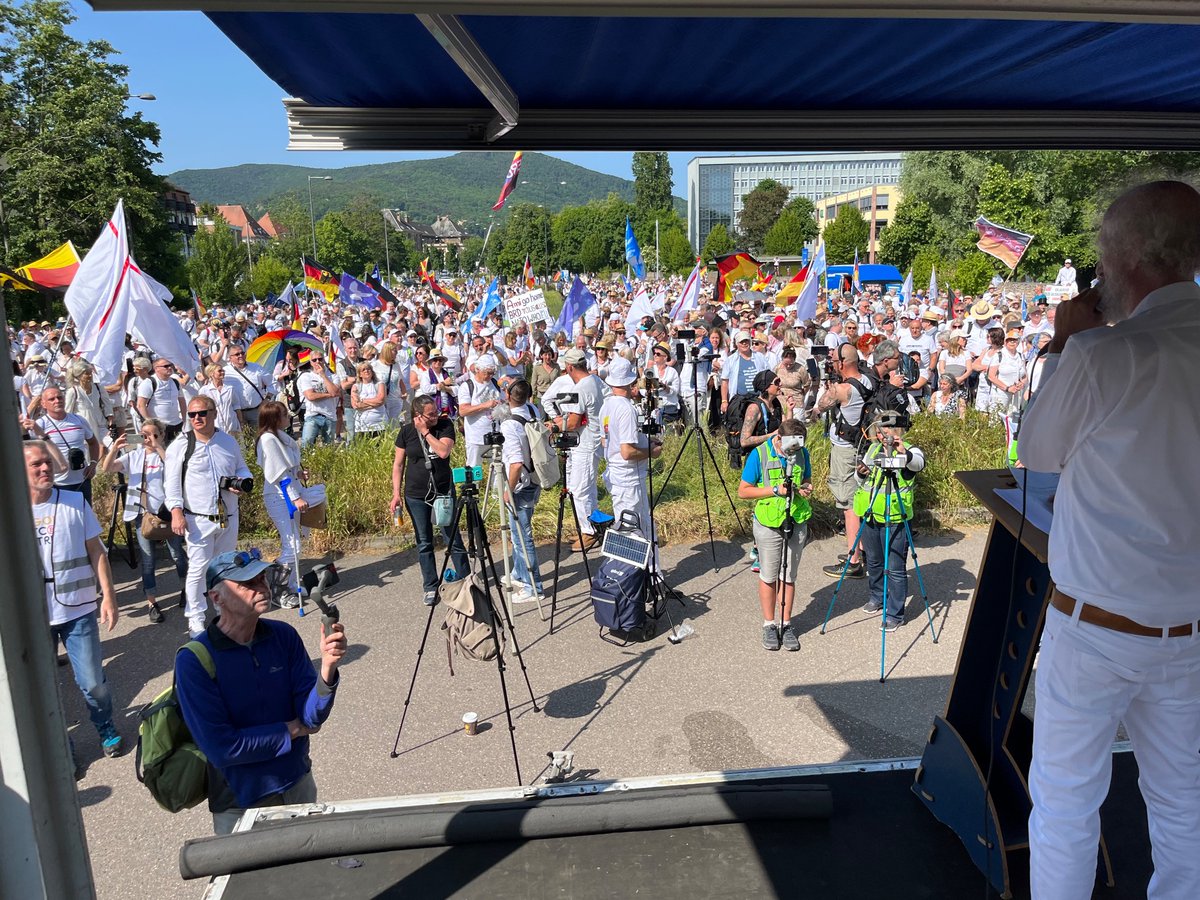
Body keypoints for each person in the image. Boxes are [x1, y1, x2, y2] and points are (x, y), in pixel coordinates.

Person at [1020, 181, 1200, 899]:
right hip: (1190, 629)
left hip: (1094, 631)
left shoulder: (1101, 354)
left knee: (1065, 804)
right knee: (1185, 804)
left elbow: (1035, 449)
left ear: (1124, 260)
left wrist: (1065, 342)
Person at [176, 549, 347, 835]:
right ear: (216, 598)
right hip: (239, 806)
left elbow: (312, 718)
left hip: (299, 785)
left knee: (308, 876)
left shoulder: (284, 636)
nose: (263, 587)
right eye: (248, 583)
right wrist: (289, 730)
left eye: (262, 578)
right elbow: (222, 748)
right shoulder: (193, 660)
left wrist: (328, 668)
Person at [26, 440, 124, 765]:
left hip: (78, 607)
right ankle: (63, 747)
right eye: (36, 465)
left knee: (93, 683)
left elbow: (97, 551)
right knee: (45, 688)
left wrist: (108, 595)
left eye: (46, 463)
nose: (44, 469)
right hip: (35, 615)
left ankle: (105, 725)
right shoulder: (13, 513)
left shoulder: (73, 502)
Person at [166, 395, 255, 638]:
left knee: (224, 566)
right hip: (197, 518)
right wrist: (176, 511)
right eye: (192, 415)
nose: (196, 418)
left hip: (228, 514)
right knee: (198, 568)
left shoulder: (227, 441)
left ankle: (222, 610)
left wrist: (243, 481)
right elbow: (171, 482)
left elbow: (241, 467)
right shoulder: (181, 445)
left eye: (202, 413)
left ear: (214, 413)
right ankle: (195, 618)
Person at [99, 419, 188, 623]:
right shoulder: (134, 456)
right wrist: (114, 448)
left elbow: (175, 469)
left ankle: (186, 589)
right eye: (143, 434)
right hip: (141, 514)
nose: (147, 438)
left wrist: (157, 446)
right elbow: (107, 468)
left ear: (162, 435)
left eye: (153, 434)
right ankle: (152, 602)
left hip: (166, 513)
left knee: (177, 555)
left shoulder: (169, 454)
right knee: (148, 561)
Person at [737, 417, 812, 652]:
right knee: (769, 575)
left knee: (789, 576)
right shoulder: (759, 455)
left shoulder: (802, 452)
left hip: (796, 519)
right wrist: (774, 491)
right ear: (778, 438)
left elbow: (806, 478)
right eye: (790, 446)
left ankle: (786, 623)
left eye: (798, 447)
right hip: (769, 523)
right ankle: (769, 624)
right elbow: (743, 491)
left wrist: (806, 488)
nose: (794, 451)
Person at [390, 394, 469, 607]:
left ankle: (467, 580)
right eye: (430, 414)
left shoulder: (444, 425)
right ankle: (430, 586)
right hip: (416, 494)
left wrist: (426, 432)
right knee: (424, 541)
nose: (435, 415)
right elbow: (398, 465)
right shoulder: (406, 432)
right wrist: (396, 494)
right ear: (418, 415)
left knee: (451, 537)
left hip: (442, 491)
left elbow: (443, 452)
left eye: (435, 411)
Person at [853, 415, 925, 632]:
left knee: (895, 567)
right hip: (870, 514)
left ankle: (895, 613)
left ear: (900, 431)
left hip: (895, 516)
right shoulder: (873, 450)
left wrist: (904, 452)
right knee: (873, 561)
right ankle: (877, 596)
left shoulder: (911, 449)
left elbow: (918, 465)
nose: (886, 434)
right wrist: (860, 472)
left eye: (891, 429)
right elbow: (860, 480)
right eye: (883, 429)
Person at [813, 345, 869, 579]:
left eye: (834, 360)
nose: (831, 364)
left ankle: (853, 560)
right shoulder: (866, 381)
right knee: (859, 499)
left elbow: (818, 408)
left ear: (843, 363)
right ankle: (862, 550)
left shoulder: (842, 389)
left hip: (845, 451)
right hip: (860, 446)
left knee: (848, 506)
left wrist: (827, 387)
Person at [542, 348, 605, 552]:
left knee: (578, 490)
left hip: (585, 444)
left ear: (569, 367)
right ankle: (591, 525)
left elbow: (574, 422)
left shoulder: (581, 388)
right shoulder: (595, 381)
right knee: (588, 488)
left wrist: (553, 426)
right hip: (591, 441)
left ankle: (588, 532)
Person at [599, 356, 662, 552]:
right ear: (630, 382)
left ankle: (633, 575)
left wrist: (644, 441)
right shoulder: (626, 408)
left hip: (617, 474)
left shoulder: (606, 405)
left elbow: (607, 441)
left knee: (628, 527)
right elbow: (626, 451)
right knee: (638, 530)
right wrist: (651, 452)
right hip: (629, 478)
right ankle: (644, 576)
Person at [256, 400, 308, 604]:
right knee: (292, 544)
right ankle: (278, 590)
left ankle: (293, 583)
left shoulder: (280, 437)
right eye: (285, 415)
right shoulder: (268, 439)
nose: (289, 418)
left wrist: (298, 473)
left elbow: (288, 468)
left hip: (290, 491)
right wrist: (296, 497)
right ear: (276, 419)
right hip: (279, 496)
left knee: (296, 542)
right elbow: (278, 473)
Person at [499, 379, 544, 604]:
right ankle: (518, 572)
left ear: (508, 395)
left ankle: (532, 586)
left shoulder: (509, 425)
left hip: (520, 484)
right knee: (519, 534)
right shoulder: (533, 410)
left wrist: (508, 488)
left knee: (521, 536)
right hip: (535, 478)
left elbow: (515, 463)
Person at [25, 385, 101, 505]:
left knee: (84, 517)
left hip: (82, 480)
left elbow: (93, 443)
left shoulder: (79, 420)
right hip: (56, 483)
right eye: (52, 399)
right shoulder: (40, 425)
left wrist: (93, 464)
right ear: (43, 404)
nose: (57, 401)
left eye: (60, 397)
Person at [137, 357, 187, 441]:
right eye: (166, 366)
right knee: (161, 451)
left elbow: (182, 401)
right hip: (159, 426)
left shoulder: (175, 382)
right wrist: (151, 423)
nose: (170, 368)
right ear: (156, 369)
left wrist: (185, 419)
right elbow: (140, 405)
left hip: (176, 423)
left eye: (171, 365)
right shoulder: (149, 382)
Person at [298, 356, 342, 447]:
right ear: (310, 362)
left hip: (329, 415)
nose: (317, 361)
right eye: (314, 360)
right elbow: (310, 396)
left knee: (328, 447)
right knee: (306, 445)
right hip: (312, 415)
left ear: (323, 360)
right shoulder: (306, 376)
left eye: (320, 359)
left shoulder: (333, 376)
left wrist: (323, 376)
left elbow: (334, 391)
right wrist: (329, 395)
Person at [224, 345, 270, 430]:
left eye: (242, 353)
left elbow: (273, 383)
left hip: (256, 411)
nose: (240, 355)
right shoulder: (225, 372)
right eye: (237, 354)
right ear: (230, 358)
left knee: (259, 439)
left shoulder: (256, 367)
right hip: (237, 414)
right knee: (242, 441)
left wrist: (267, 399)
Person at [200, 363, 242, 436]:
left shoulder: (230, 388)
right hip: (215, 425)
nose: (222, 372)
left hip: (232, 425)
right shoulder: (204, 390)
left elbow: (236, 406)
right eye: (219, 371)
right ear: (211, 374)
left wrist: (241, 422)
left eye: (223, 370)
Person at [350, 363, 388, 438]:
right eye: (363, 370)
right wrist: (375, 404)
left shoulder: (379, 384)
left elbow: (380, 400)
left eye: (368, 369)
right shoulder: (355, 387)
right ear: (360, 374)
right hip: (362, 425)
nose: (366, 371)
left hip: (380, 424)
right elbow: (356, 405)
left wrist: (362, 400)